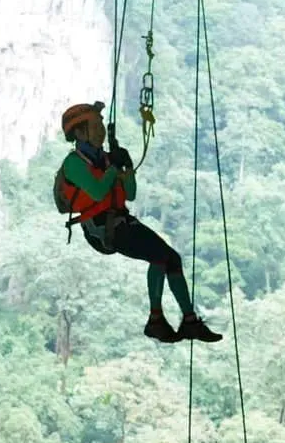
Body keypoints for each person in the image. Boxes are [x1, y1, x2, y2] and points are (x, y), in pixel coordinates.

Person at [54, 101, 222, 343]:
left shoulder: (104, 158)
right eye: (96, 126)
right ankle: (157, 320)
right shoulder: (74, 163)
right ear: (80, 133)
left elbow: (130, 193)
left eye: (101, 125)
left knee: (171, 258)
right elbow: (99, 192)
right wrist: (113, 167)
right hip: (100, 229)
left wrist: (127, 166)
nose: (101, 130)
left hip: (120, 221)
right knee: (160, 256)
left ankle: (188, 320)